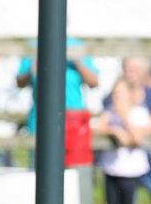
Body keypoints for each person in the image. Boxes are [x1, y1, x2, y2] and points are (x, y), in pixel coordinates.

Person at [94, 58, 151, 204]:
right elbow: (99, 124)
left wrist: (124, 119)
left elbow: (145, 133)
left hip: (137, 166)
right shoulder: (111, 105)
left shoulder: (145, 102)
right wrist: (114, 130)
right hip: (114, 167)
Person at [16, 37, 99, 165]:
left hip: (73, 122)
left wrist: (77, 61)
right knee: (41, 167)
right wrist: (33, 68)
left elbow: (93, 82)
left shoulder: (77, 46)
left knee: (73, 169)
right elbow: (20, 82)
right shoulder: (34, 45)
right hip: (41, 120)